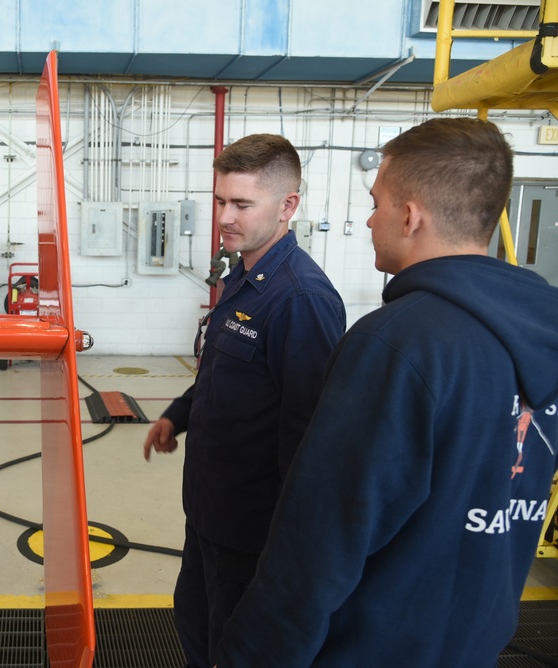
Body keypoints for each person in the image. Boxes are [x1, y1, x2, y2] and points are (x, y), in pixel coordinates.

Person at [215, 117, 558, 667]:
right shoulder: (542, 336)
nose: (370, 220)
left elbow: (320, 542)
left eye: (376, 203)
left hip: (371, 647)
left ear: (410, 216)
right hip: (471, 642)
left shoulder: (397, 344)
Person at [143, 133, 346, 668]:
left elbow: (307, 434)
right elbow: (223, 371)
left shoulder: (301, 299)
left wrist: (289, 548)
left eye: (241, 204)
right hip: (209, 510)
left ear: (288, 206)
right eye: (220, 201)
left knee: (235, 647)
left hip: (253, 530)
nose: (224, 217)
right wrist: (177, 416)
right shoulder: (241, 277)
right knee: (195, 624)